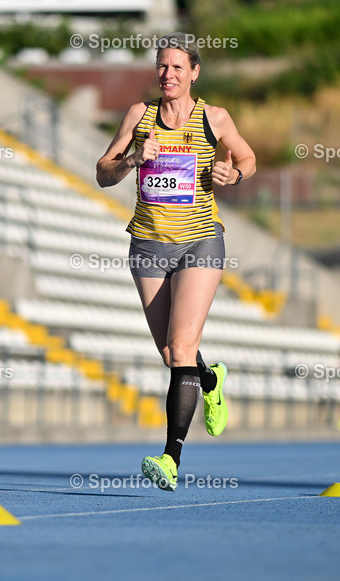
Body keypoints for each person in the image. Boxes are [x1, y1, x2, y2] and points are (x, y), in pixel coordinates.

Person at [95, 32, 256, 492]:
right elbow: (103, 173)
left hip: (200, 243)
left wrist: (235, 172)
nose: (168, 75)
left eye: (178, 68)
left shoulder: (215, 118)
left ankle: (171, 459)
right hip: (147, 244)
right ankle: (211, 377)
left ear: (195, 72)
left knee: (181, 348)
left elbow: (247, 157)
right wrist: (130, 158)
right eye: (162, 67)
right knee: (171, 355)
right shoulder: (138, 116)